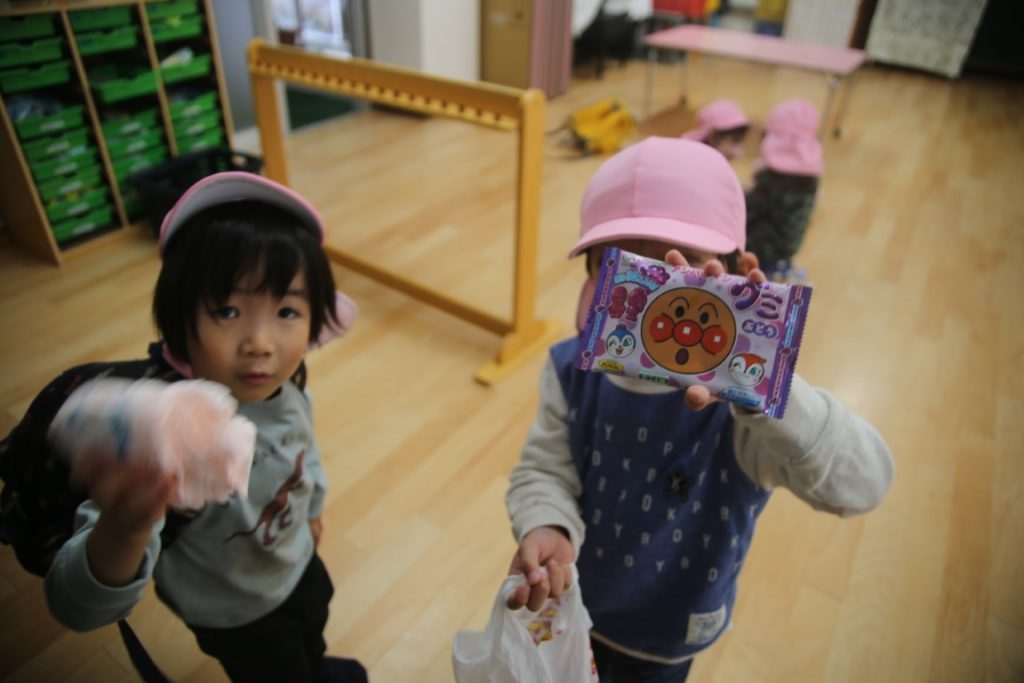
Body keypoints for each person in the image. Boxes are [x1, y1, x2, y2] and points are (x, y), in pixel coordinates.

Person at [504, 137, 893, 682]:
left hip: (667, 631)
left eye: (677, 269)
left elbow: (866, 484)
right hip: (569, 603)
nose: (652, 304)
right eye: (621, 267)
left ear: (737, 273)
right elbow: (544, 467)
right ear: (591, 276)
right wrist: (547, 523)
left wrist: (768, 387)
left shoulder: (746, 416)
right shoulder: (570, 369)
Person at [8, 173, 366, 682]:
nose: (260, 343)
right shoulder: (166, 435)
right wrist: (126, 523)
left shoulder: (288, 389)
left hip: (297, 562)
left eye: (287, 310)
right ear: (178, 316)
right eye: (227, 310)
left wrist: (313, 509)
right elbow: (78, 606)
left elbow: (304, 453)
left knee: (313, 623)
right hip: (237, 614)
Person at [745, 98, 823, 282]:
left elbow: (748, 212)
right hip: (788, 247)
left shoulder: (772, 180)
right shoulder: (810, 179)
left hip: (761, 251)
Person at [681, 99, 751, 161]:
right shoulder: (692, 153)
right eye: (723, 136)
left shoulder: (722, 157)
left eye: (736, 139)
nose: (732, 147)